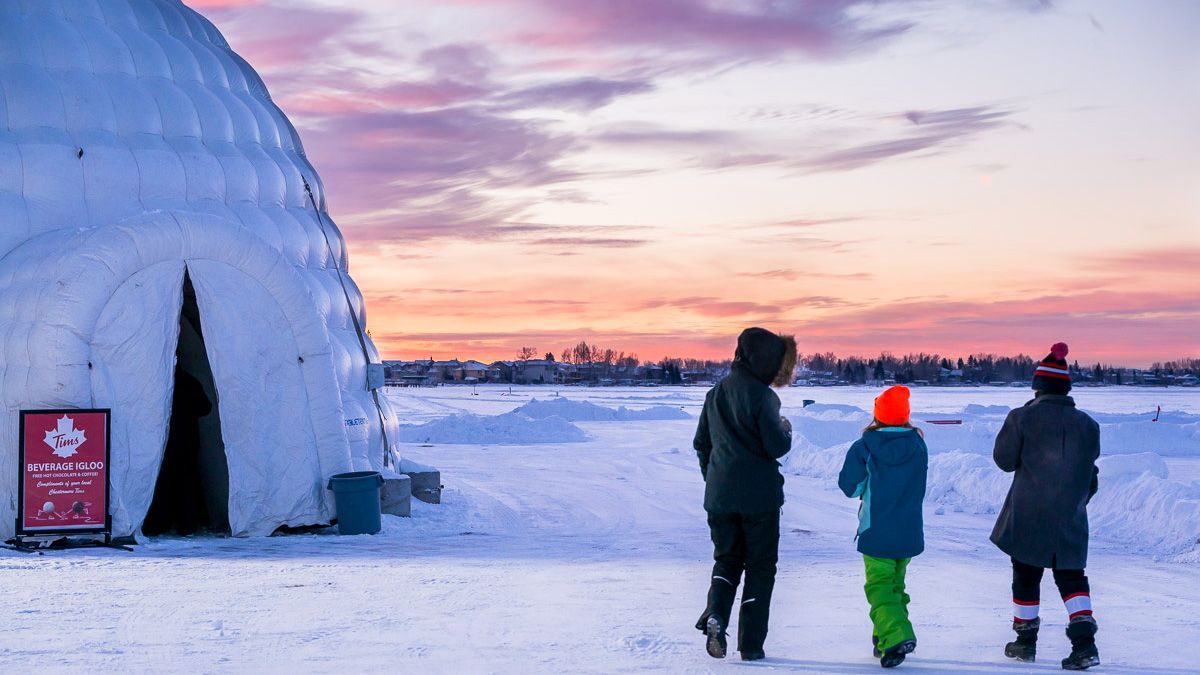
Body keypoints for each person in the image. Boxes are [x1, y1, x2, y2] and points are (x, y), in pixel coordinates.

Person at [991, 342, 1101, 670]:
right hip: (1070, 514)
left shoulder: (1022, 417)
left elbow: (1004, 461)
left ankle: (1025, 642)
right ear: (1066, 388)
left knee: (1026, 574)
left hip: (1029, 513)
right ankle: (1085, 645)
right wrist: (1075, 501)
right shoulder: (1089, 425)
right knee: (1071, 577)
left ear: (1037, 387)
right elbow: (1090, 474)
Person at [693, 327, 797, 662]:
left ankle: (716, 615)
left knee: (726, 560)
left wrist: (715, 478)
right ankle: (750, 645)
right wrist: (785, 429)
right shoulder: (763, 397)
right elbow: (775, 446)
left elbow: (701, 444)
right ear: (767, 361)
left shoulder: (716, 392)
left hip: (719, 498)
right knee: (760, 567)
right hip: (760, 500)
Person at [838, 385, 928, 669]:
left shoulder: (864, 446)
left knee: (878, 587)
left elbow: (849, 487)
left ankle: (897, 634)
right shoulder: (918, 444)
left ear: (878, 414)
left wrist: (866, 483)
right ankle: (885, 641)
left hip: (876, 530)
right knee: (895, 586)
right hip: (909, 530)